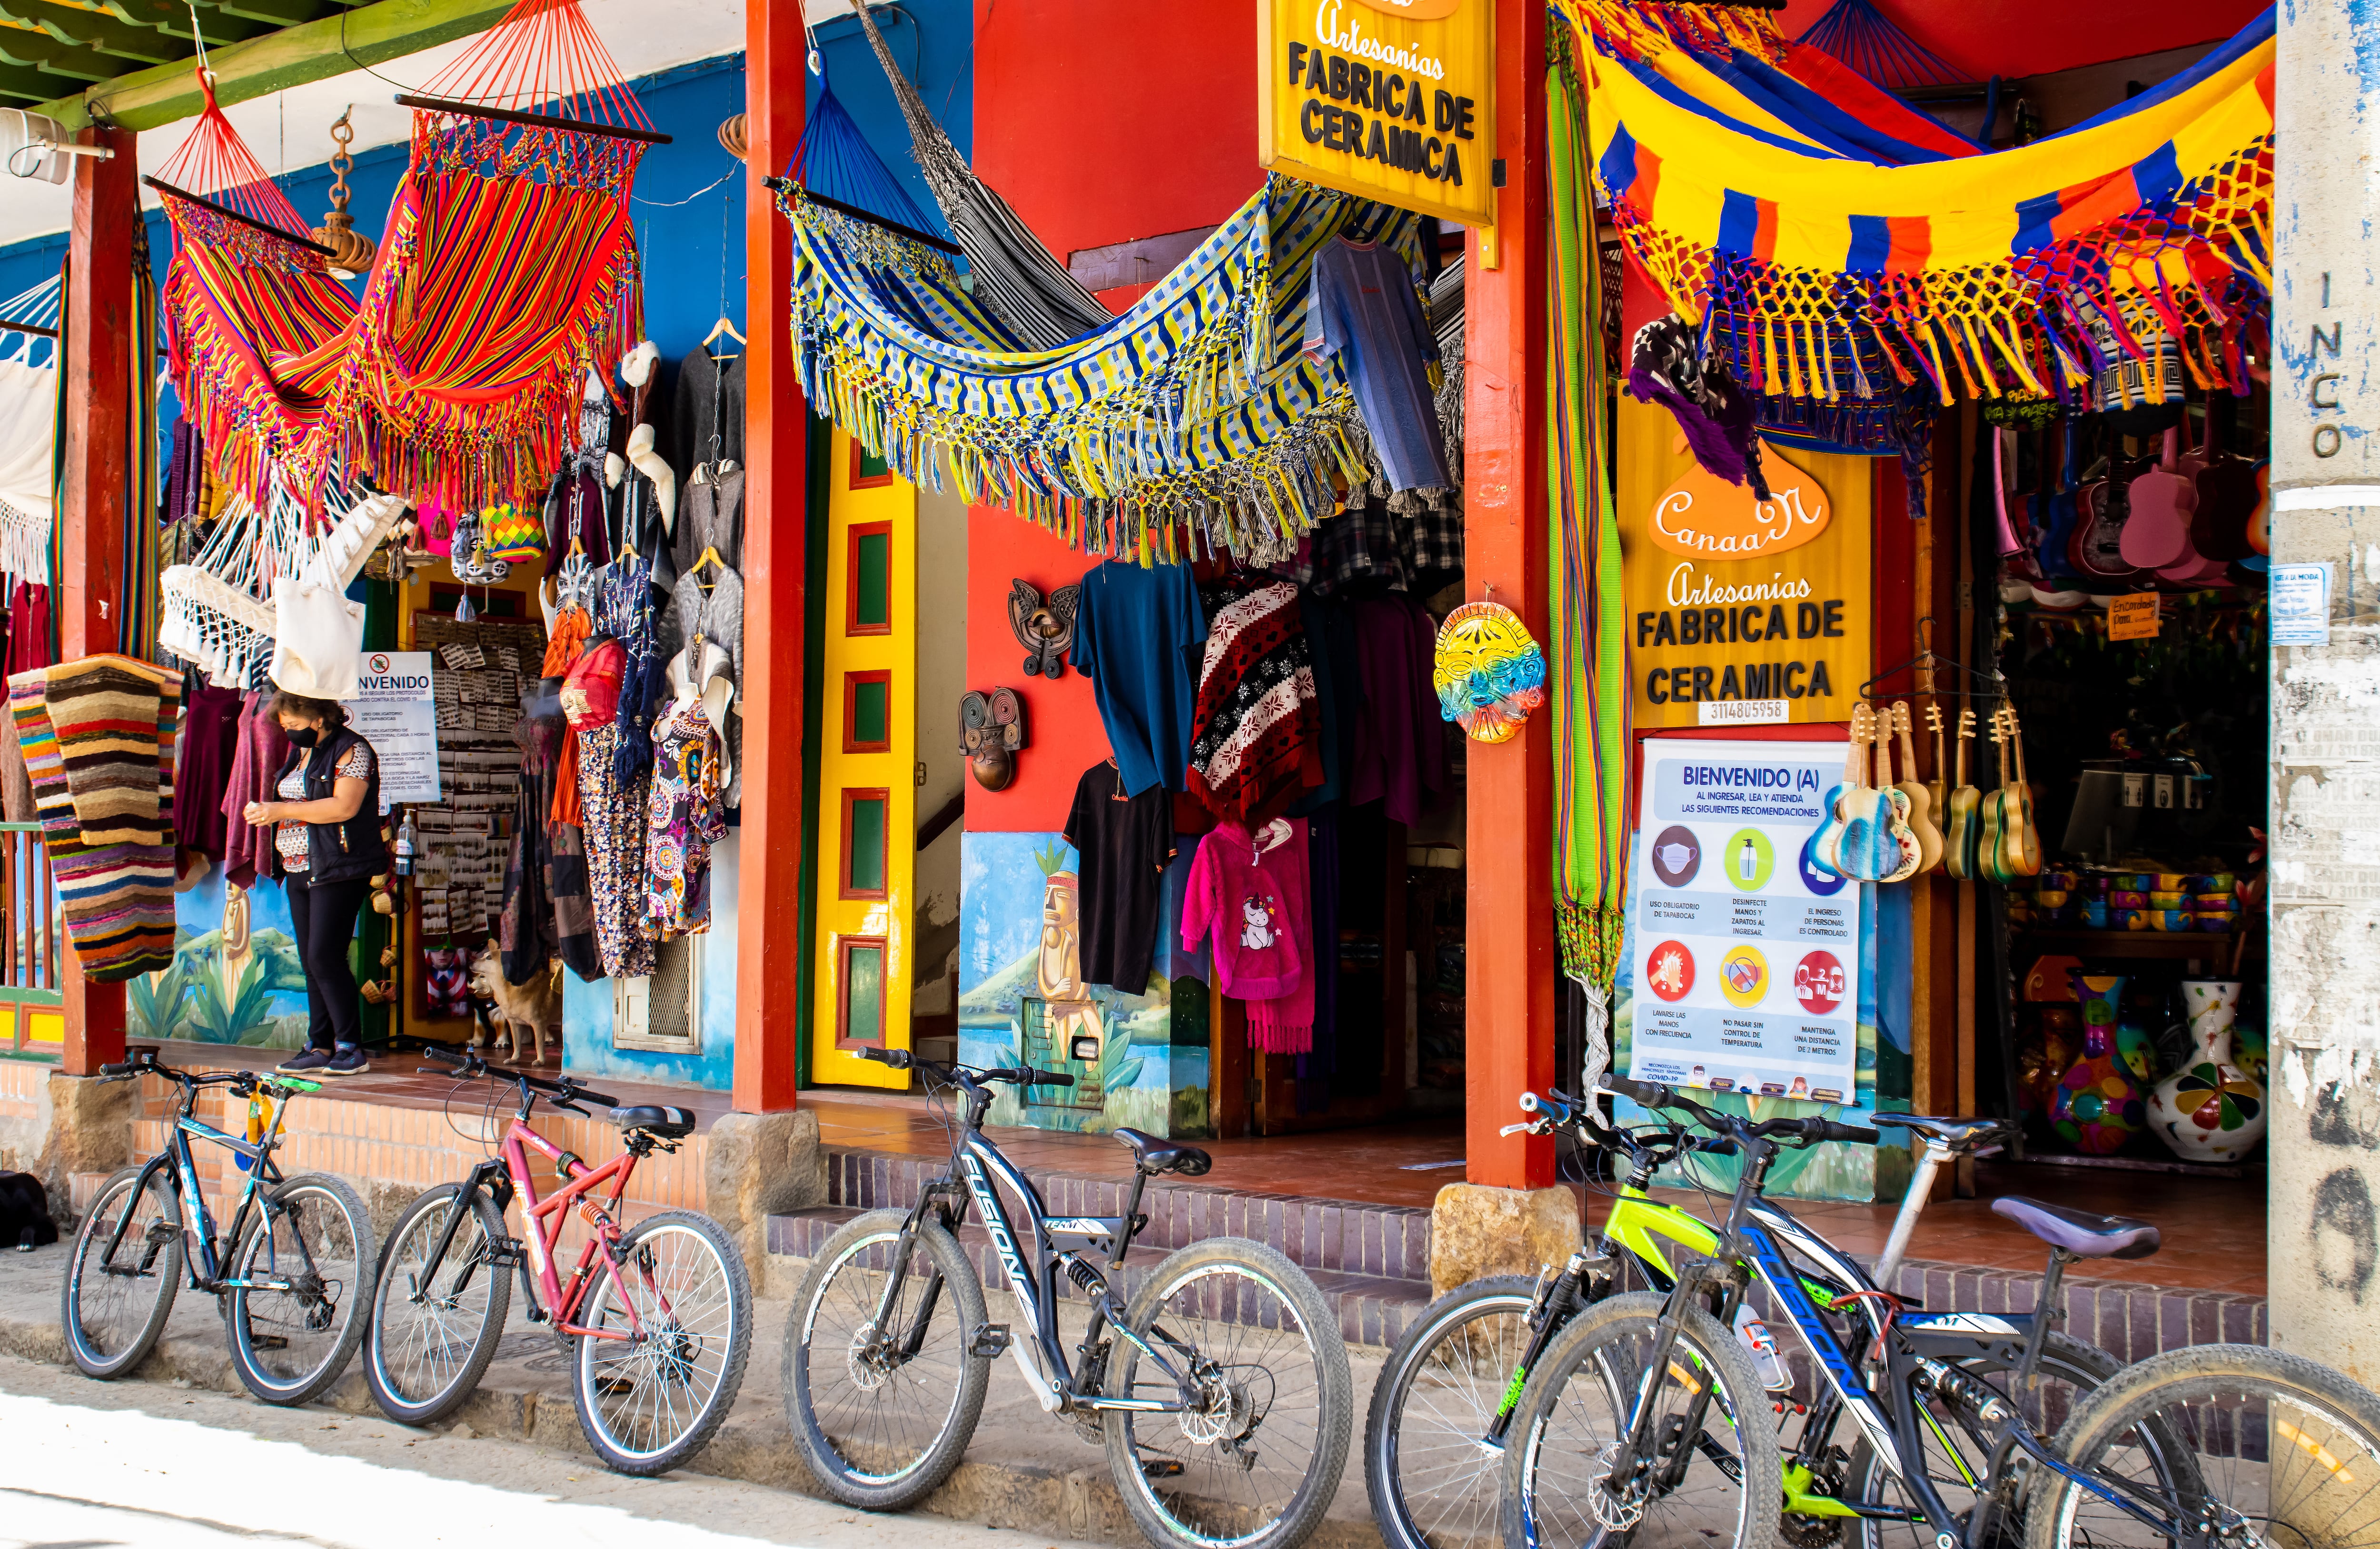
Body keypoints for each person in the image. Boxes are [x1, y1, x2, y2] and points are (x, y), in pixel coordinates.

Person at [242, 691, 386, 1076]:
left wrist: (279, 810)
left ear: (318, 719)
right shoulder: (304, 752)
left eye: (292, 724)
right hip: (300, 868)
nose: (287, 732)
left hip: (338, 866)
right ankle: (319, 1043)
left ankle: (350, 1047)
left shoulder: (353, 750)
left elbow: (344, 807)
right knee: (310, 960)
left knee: (325, 955)